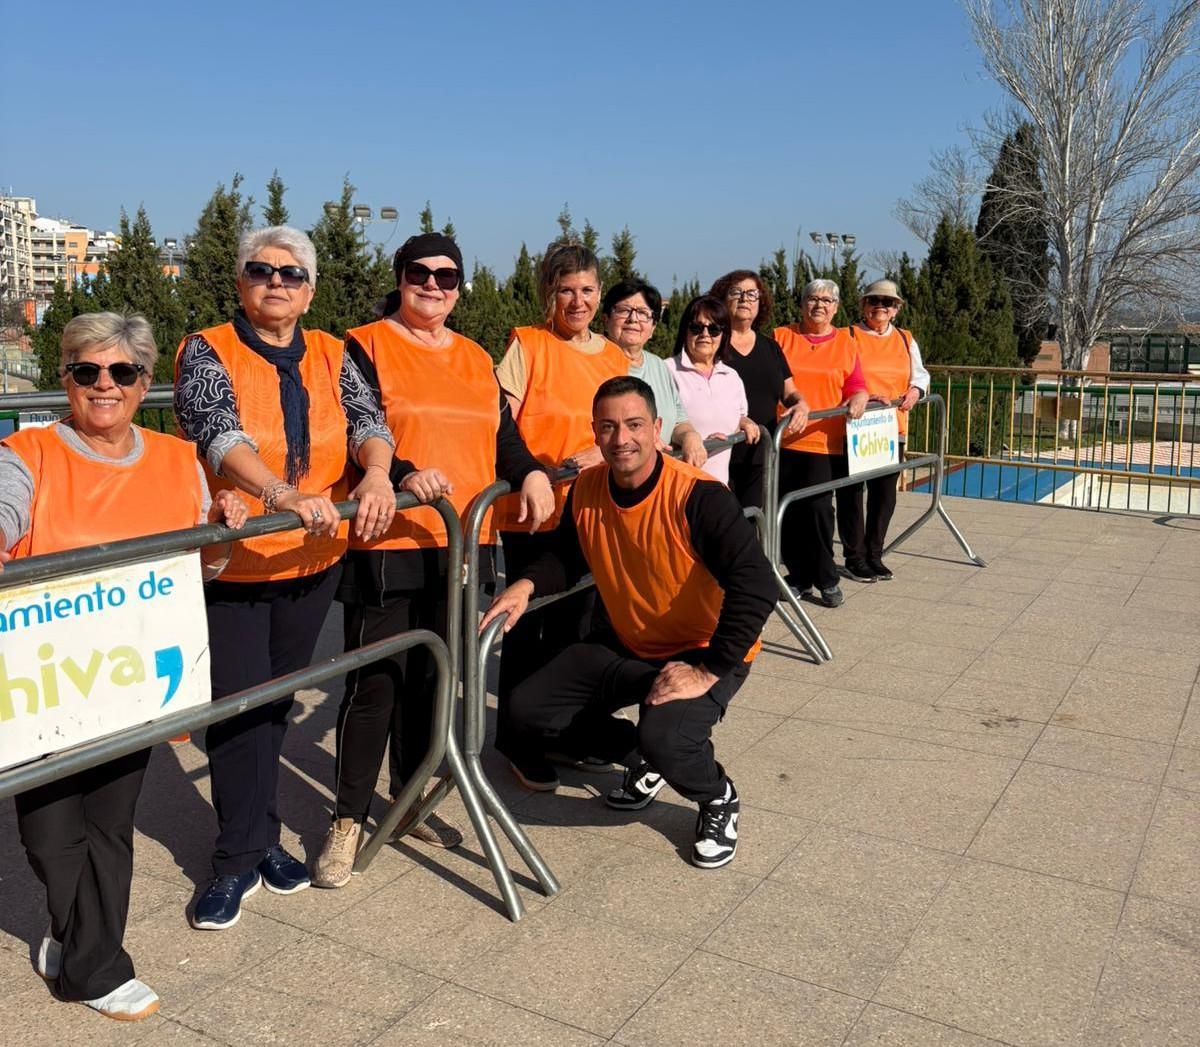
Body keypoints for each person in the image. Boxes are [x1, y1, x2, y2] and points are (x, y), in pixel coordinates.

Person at [0, 312, 247, 1020]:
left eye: (121, 372)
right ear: (65, 378)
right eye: (87, 370)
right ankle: (73, 935)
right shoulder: (28, 452)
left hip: (128, 680)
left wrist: (220, 526)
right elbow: (6, 510)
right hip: (43, 682)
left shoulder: (176, 459)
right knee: (49, 834)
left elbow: (204, 567)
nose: (103, 384)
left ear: (144, 382)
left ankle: (97, 967)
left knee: (108, 823)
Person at [312, 233, 554, 888]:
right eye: (419, 272)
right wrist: (404, 473)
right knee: (377, 682)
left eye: (446, 277)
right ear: (399, 277)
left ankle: (409, 795)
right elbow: (357, 427)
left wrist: (531, 471)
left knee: (433, 677)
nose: (432, 285)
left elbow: (503, 436)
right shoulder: (364, 344)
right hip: (391, 535)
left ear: (459, 287)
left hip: (464, 539)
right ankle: (347, 818)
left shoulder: (475, 356)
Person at [174, 225, 397, 930]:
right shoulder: (208, 348)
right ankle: (235, 857)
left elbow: (368, 420)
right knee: (240, 708)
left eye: (291, 273)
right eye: (261, 270)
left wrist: (378, 473)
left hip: (312, 561)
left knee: (274, 707)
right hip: (236, 563)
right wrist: (278, 492)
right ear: (240, 281)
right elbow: (217, 431)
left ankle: (261, 834)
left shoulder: (333, 351)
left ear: (310, 289)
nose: (276, 281)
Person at [481, 376, 775, 869]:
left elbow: (758, 585)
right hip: (630, 641)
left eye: (635, 425)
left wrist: (707, 670)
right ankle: (642, 758)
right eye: (609, 427)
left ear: (657, 429)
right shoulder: (588, 487)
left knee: (668, 738)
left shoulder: (698, 495)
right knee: (526, 710)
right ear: (595, 432)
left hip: (705, 648)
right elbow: (567, 557)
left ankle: (717, 795)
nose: (622, 439)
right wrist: (525, 585)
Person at [493, 242, 628, 790]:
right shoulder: (528, 345)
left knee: (581, 629)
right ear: (549, 293)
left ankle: (565, 731)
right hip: (536, 510)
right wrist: (545, 471)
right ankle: (517, 741)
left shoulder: (614, 357)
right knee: (526, 628)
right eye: (566, 290)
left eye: (587, 290)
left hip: (595, 510)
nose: (578, 301)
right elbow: (500, 424)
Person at [773, 280, 869, 608]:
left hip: (823, 443)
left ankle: (827, 578)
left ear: (836, 308)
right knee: (788, 512)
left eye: (827, 300)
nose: (819, 305)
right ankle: (799, 577)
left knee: (817, 511)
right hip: (783, 440)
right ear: (802, 304)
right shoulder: (781, 336)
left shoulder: (846, 343)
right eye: (813, 299)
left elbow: (856, 383)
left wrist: (860, 396)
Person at [835, 279, 930, 581]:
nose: (880, 307)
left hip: (891, 428)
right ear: (863, 305)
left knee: (884, 496)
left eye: (887, 302)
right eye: (874, 300)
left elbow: (920, 375)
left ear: (896, 309)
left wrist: (916, 390)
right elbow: (837, 375)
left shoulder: (904, 338)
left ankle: (874, 554)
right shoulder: (847, 336)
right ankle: (854, 557)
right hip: (855, 427)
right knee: (851, 495)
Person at [708, 270, 810, 508]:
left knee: (753, 522)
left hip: (760, 456)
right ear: (722, 299)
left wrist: (801, 404)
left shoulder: (771, 347)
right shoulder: (710, 342)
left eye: (752, 294)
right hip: (719, 453)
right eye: (737, 292)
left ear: (760, 302)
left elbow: (789, 392)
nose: (745, 299)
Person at [601, 279, 706, 467]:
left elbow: (678, 422)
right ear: (605, 319)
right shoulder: (593, 364)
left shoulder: (658, 366)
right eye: (624, 310)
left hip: (657, 474)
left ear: (653, 328)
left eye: (643, 313)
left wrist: (690, 437)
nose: (633, 319)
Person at [665, 295, 760, 486]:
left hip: (718, 487)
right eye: (696, 327)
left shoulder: (732, 377)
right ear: (685, 331)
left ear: (724, 335)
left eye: (714, 329)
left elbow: (734, 416)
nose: (705, 334)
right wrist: (691, 439)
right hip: (677, 486)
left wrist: (743, 422)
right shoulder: (667, 371)